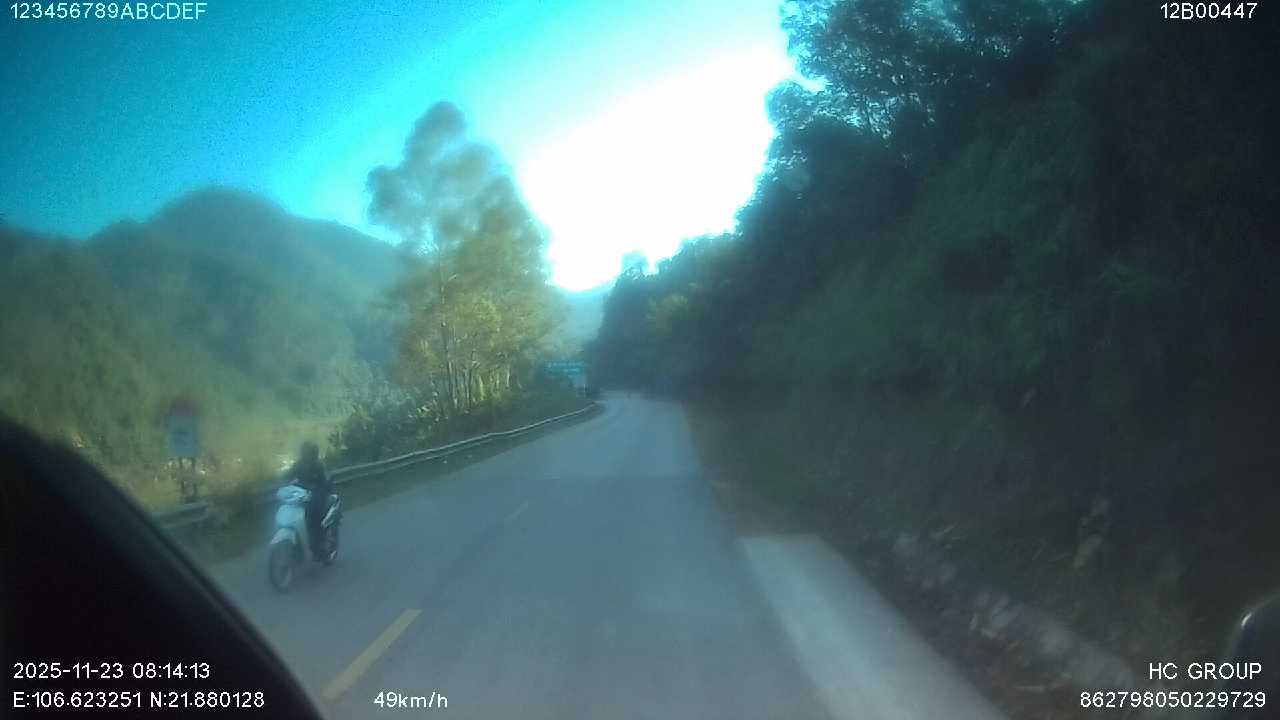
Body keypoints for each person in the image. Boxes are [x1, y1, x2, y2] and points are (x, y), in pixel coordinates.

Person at [287, 441, 332, 557]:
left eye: (308, 452)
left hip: (318, 494)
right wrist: (283, 484)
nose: (306, 454)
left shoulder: (318, 465)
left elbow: (325, 482)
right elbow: (288, 476)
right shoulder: (299, 464)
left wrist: (317, 488)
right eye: (305, 451)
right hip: (302, 494)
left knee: (315, 518)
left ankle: (320, 546)